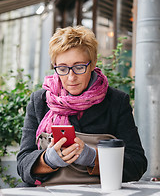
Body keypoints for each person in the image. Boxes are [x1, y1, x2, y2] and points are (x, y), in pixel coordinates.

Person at [17, 25, 147, 187]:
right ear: (54, 66)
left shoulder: (116, 101)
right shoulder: (40, 101)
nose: (71, 77)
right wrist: (47, 160)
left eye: (79, 67)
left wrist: (94, 158)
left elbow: (137, 164)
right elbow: (22, 164)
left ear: (92, 65)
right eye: (63, 68)